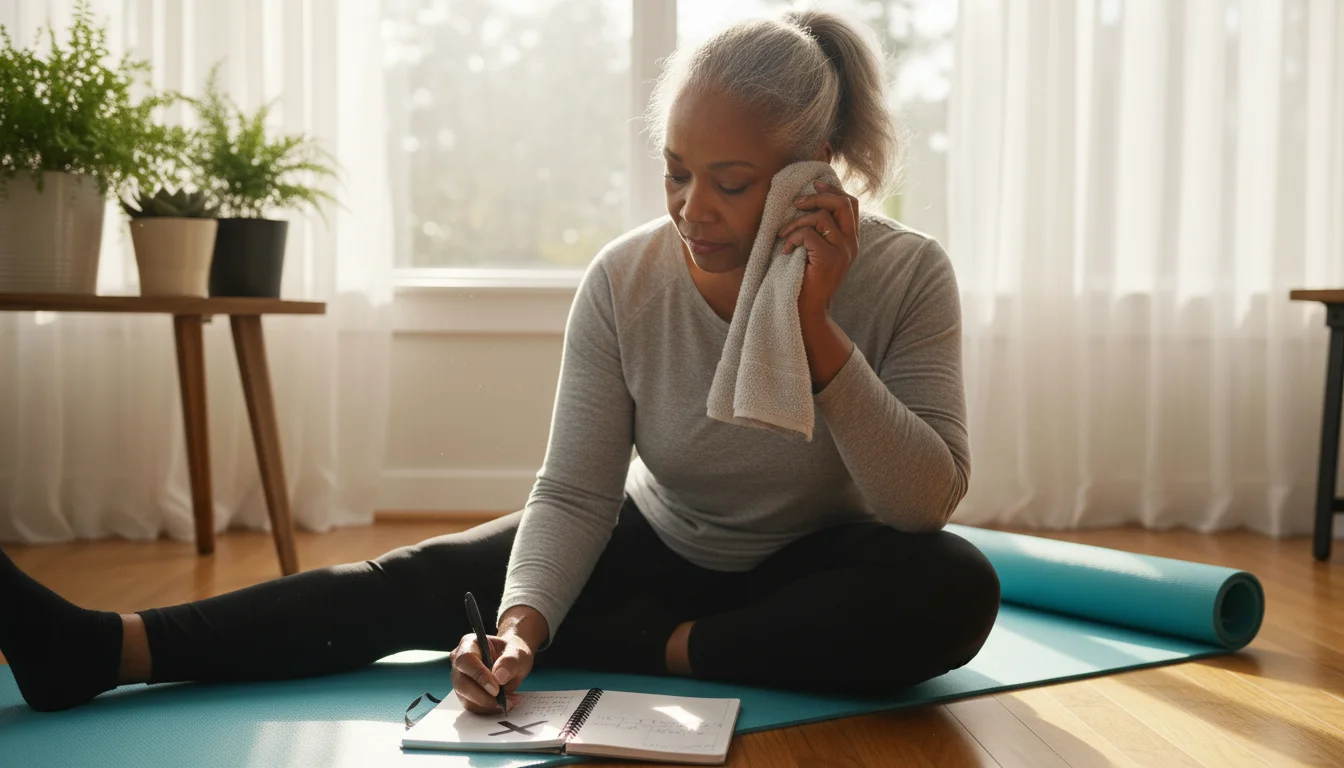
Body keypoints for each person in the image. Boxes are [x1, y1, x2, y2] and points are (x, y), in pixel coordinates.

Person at [0, 6, 999, 715]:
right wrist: (523, 627)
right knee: (409, 579)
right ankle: (106, 648)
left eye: (732, 185)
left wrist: (819, 329)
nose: (694, 210)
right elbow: (573, 494)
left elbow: (922, 503)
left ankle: (649, 648)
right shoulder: (625, 279)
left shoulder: (909, 278)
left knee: (955, 589)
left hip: (814, 570)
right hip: (653, 541)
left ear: (809, 169)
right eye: (677, 172)